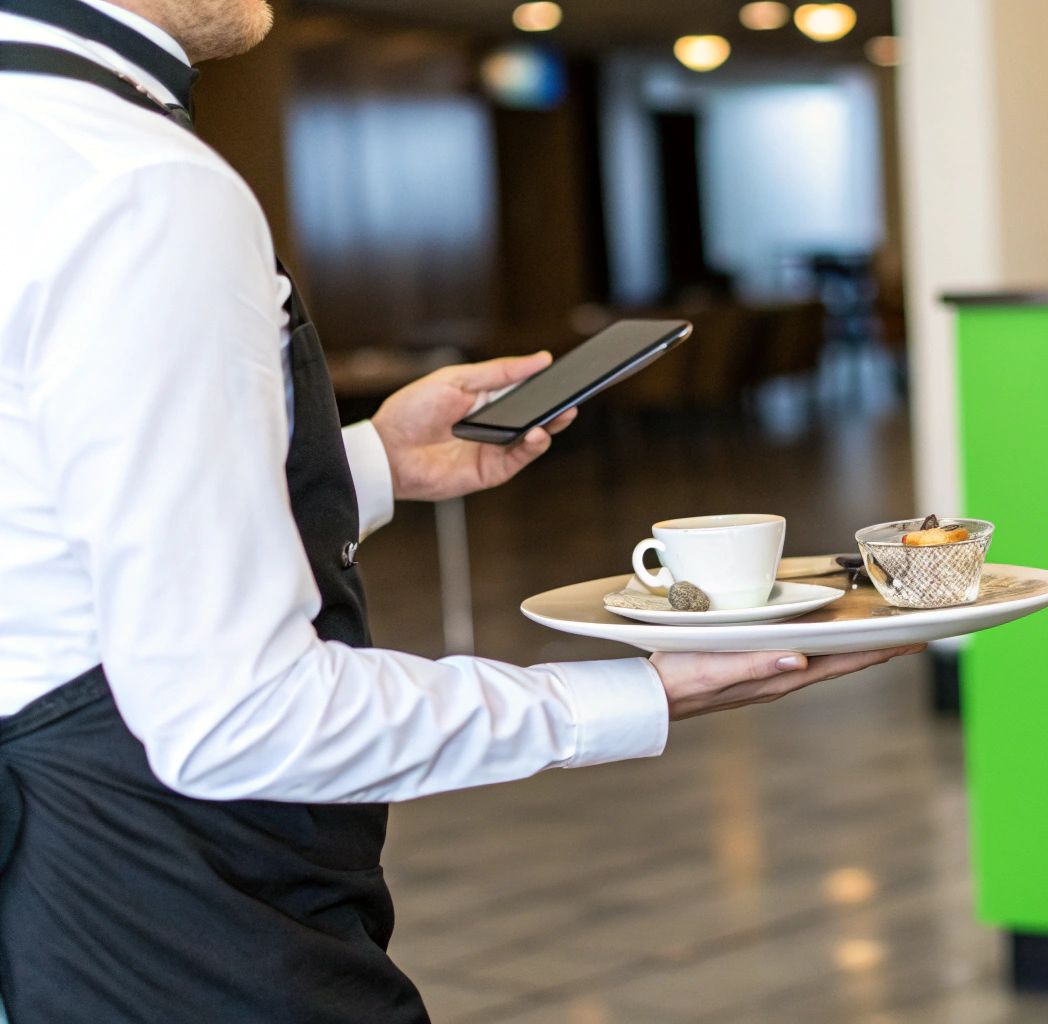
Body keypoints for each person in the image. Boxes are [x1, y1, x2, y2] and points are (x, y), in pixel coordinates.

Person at [0, 1, 922, 1020]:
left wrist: (370, 463)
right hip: (167, 896)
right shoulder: (135, 181)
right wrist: (635, 696)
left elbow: (38, 538)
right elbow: (234, 717)